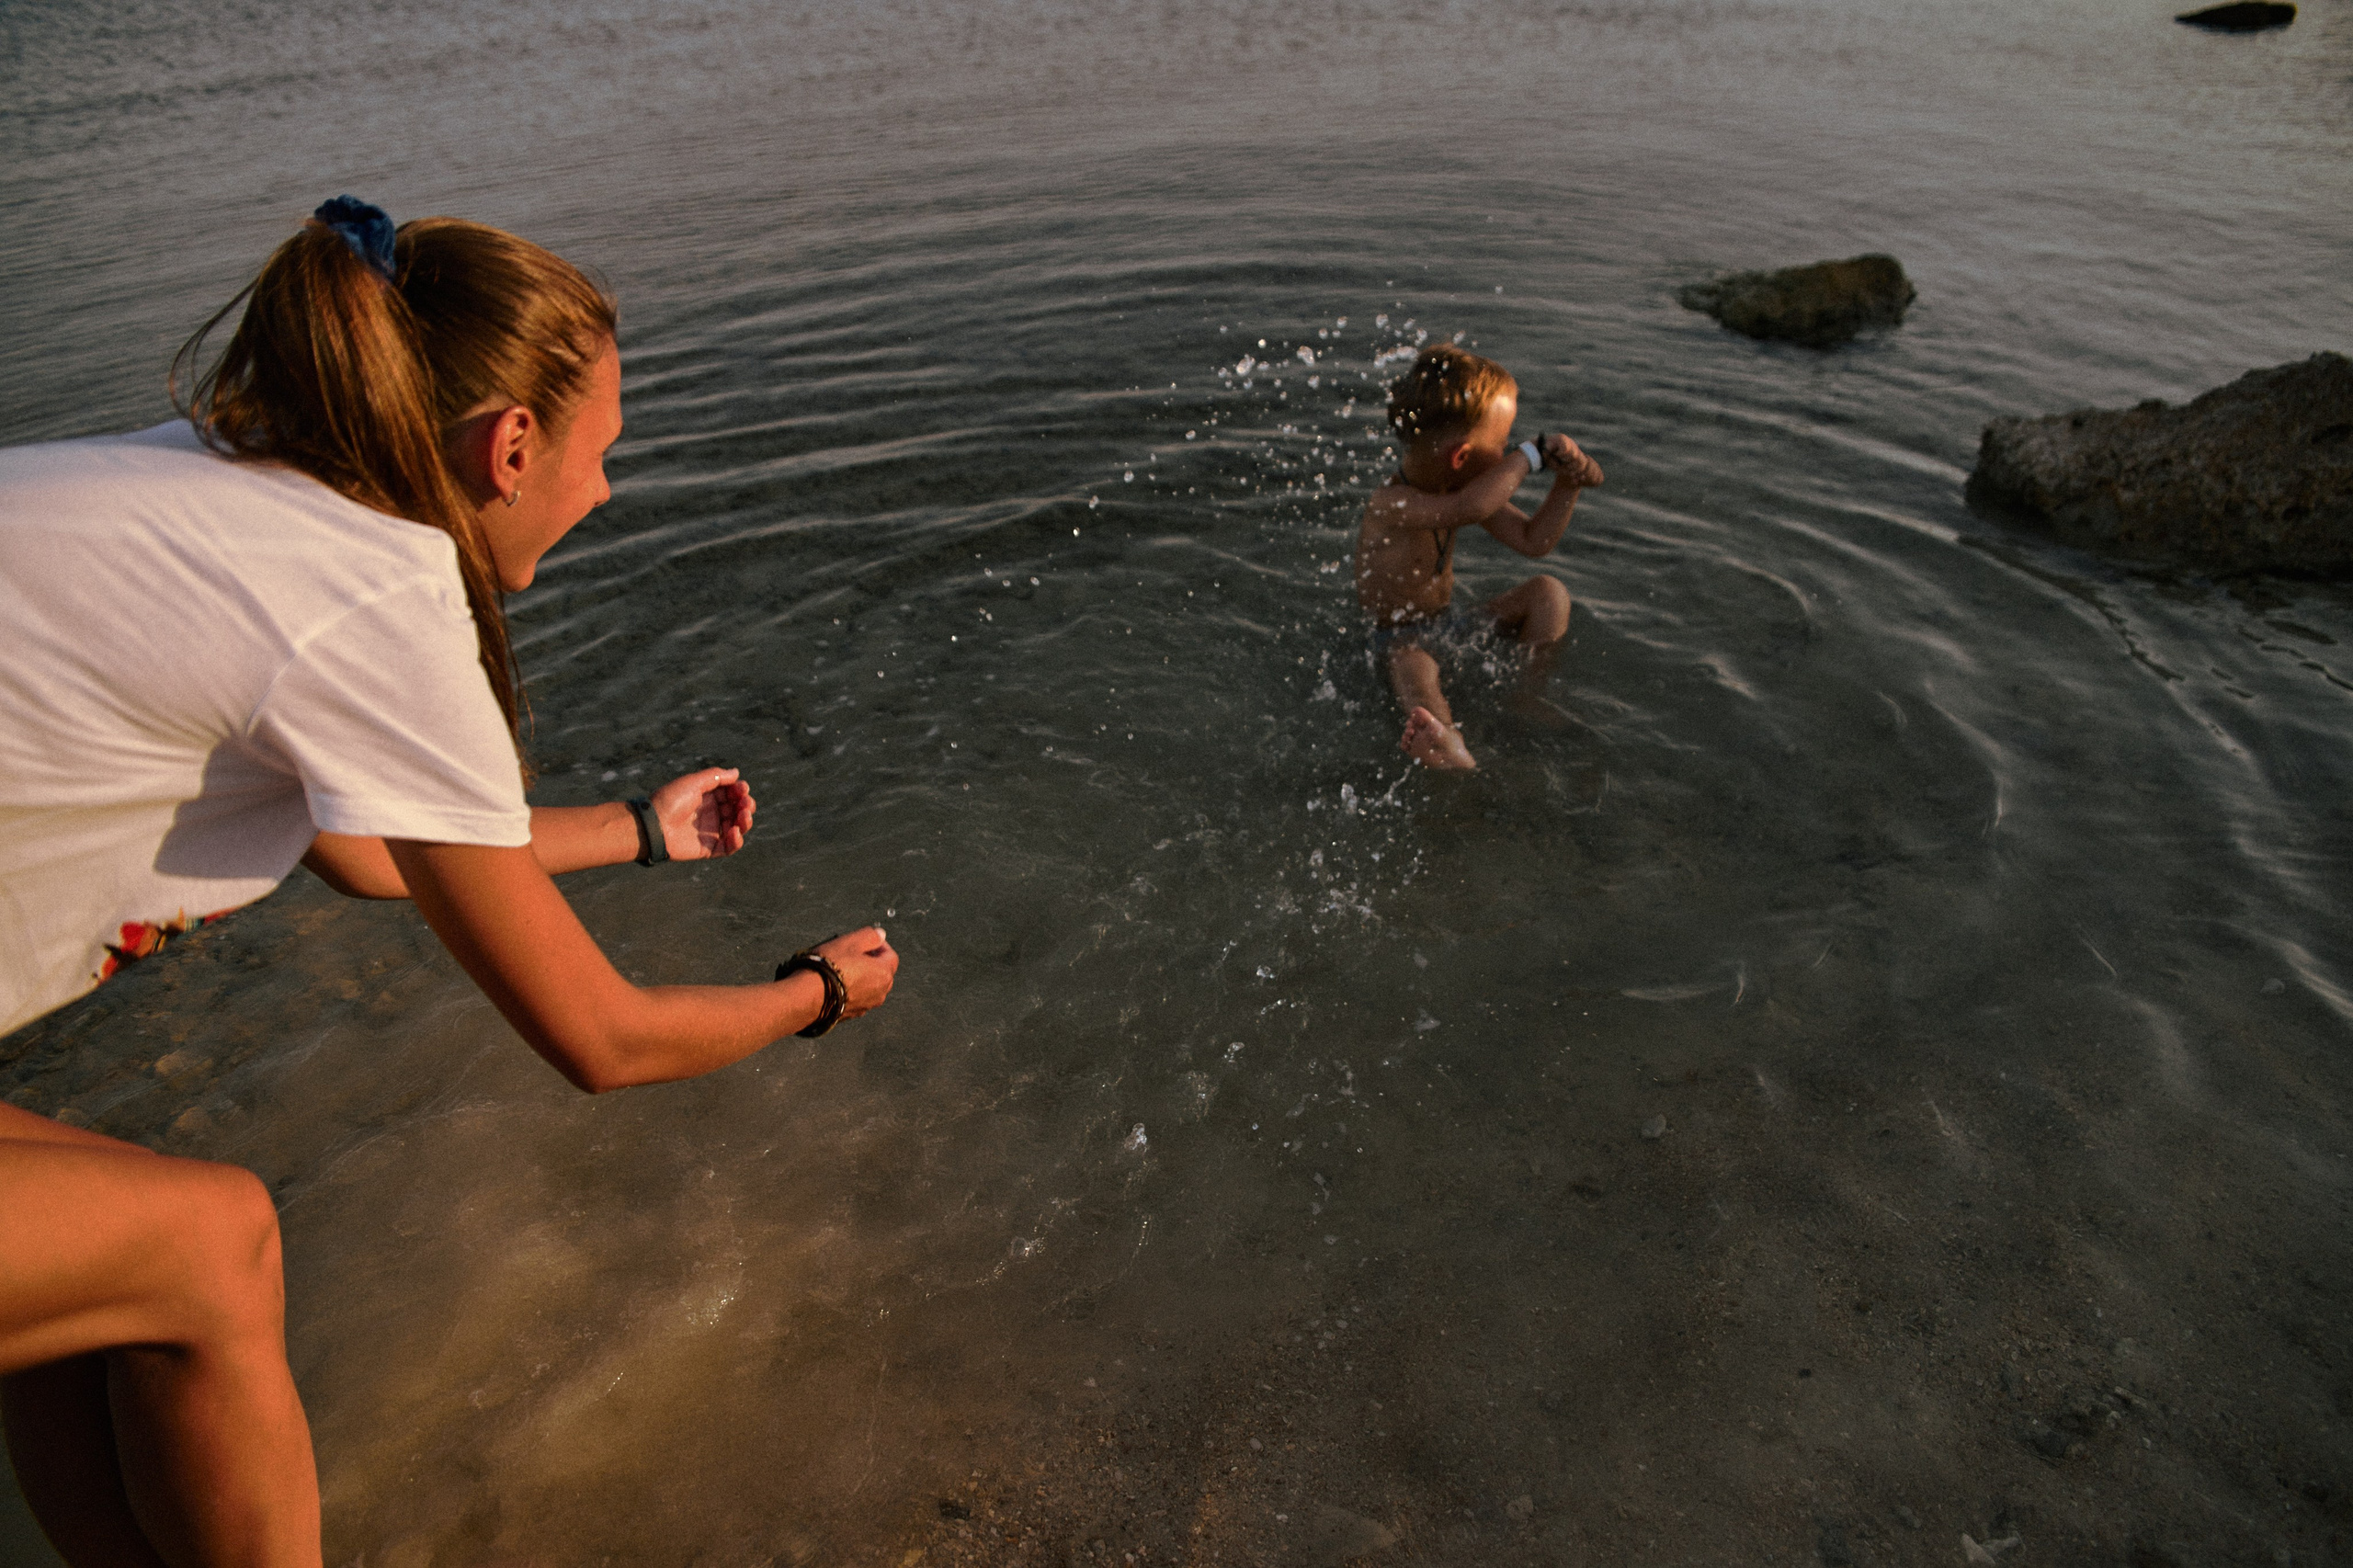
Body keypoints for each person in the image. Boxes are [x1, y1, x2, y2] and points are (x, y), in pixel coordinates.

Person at [0, 199, 899, 1566]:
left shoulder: (246, 478)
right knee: (209, 1244)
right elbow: (603, 1040)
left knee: (99, 1284)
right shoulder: (379, 589)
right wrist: (816, 994)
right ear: (512, 445)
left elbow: (366, 846)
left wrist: (637, 831)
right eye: (603, 451)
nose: (607, 491)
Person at [1353, 343, 1606, 770]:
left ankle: (1525, 695)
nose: (1507, 455)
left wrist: (1569, 484)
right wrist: (1531, 455)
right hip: (1394, 640)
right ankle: (1445, 739)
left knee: (1548, 593)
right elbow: (1470, 507)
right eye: (1503, 443)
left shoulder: (1460, 491)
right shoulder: (1391, 503)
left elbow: (1533, 540)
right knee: (1413, 665)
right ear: (1461, 457)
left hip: (1448, 627)